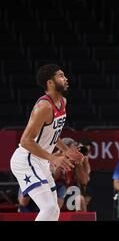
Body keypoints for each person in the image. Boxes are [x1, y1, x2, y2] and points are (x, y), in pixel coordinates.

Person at [9, 64, 83, 221]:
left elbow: (53, 135)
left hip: (41, 160)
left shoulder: (63, 102)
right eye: (61, 76)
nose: (65, 78)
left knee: (54, 209)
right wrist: (53, 158)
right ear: (50, 83)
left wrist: (66, 150)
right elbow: (25, 140)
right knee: (48, 208)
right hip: (26, 159)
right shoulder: (43, 106)